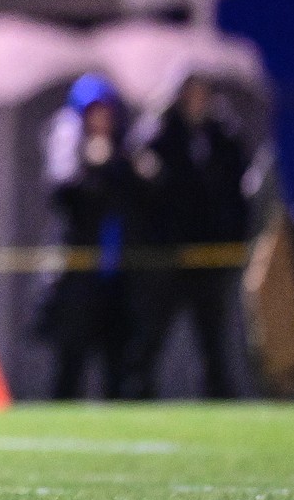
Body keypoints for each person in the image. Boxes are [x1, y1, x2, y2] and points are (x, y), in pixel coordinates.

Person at [126, 69, 251, 399]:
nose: (197, 101)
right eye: (190, 94)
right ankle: (135, 398)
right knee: (151, 335)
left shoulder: (221, 135)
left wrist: (233, 238)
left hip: (210, 255)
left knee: (214, 339)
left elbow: (235, 193)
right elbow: (143, 185)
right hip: (169, 255)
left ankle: (221, 402)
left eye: (203, 94)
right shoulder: (159, 133)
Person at [34, 73, 141, 400]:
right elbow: (65, 196)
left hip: (117, 271)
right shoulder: (71, 147)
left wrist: (117, 165)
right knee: (70, 362)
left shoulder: (123, 153)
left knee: (119, 364)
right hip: (79, 273)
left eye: (106, 111)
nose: (101, 119)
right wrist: (91, 166)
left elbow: (133, 199)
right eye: (94, 112)